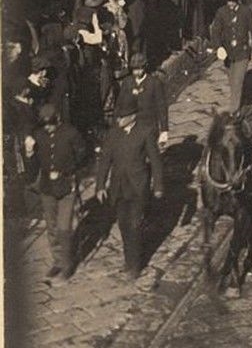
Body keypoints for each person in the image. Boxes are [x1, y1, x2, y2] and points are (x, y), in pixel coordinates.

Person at [95, 91, 164, 280]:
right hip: (118, 187)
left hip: (138, 186)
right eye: (117, 117)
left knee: (134, 225)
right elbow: (105, 161)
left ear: (133, 116)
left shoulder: (145, 132)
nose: (118, 120)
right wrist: (100, 186)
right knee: (123, 225)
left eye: (122, 117)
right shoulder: (113, 134)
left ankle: (135, 266)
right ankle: (128, 262)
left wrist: (158, 185)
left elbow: (155, 161)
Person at [25, 103, 86, 283]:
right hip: (47, 188)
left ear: (57, 119)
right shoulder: (38, 135)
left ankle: (67, 265)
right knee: (52, 227)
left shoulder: (71, 133)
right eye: (45, 125)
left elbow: (82, 155)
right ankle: (58, 261)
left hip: (66, 186)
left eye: (50, 124)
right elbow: (33, 167)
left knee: (63, 228)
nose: (48, 128)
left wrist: (66, 171)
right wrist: (29, 152)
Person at [208, 0, 252, 112]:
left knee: (237, 81)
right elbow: (215, 31)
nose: (231, 4)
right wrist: (218, 47)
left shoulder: (246, 12)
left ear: (238, 0)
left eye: (233, 1)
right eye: (229, 1)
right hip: (228, 53)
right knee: (232, 81)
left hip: (242, 53)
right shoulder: (221, 12)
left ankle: (234, 111)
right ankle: (237, 104)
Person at [114, 53, 169, 150]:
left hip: (149, 125)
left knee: (150, 150)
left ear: (145, 67)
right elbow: (120, 102)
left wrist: (164, 130)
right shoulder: (127, 82)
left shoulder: (154, 83)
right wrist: (117, 121)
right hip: (132, 125)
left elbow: (161, 107)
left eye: (139, 69)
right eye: (134, 69)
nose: (136, 72)